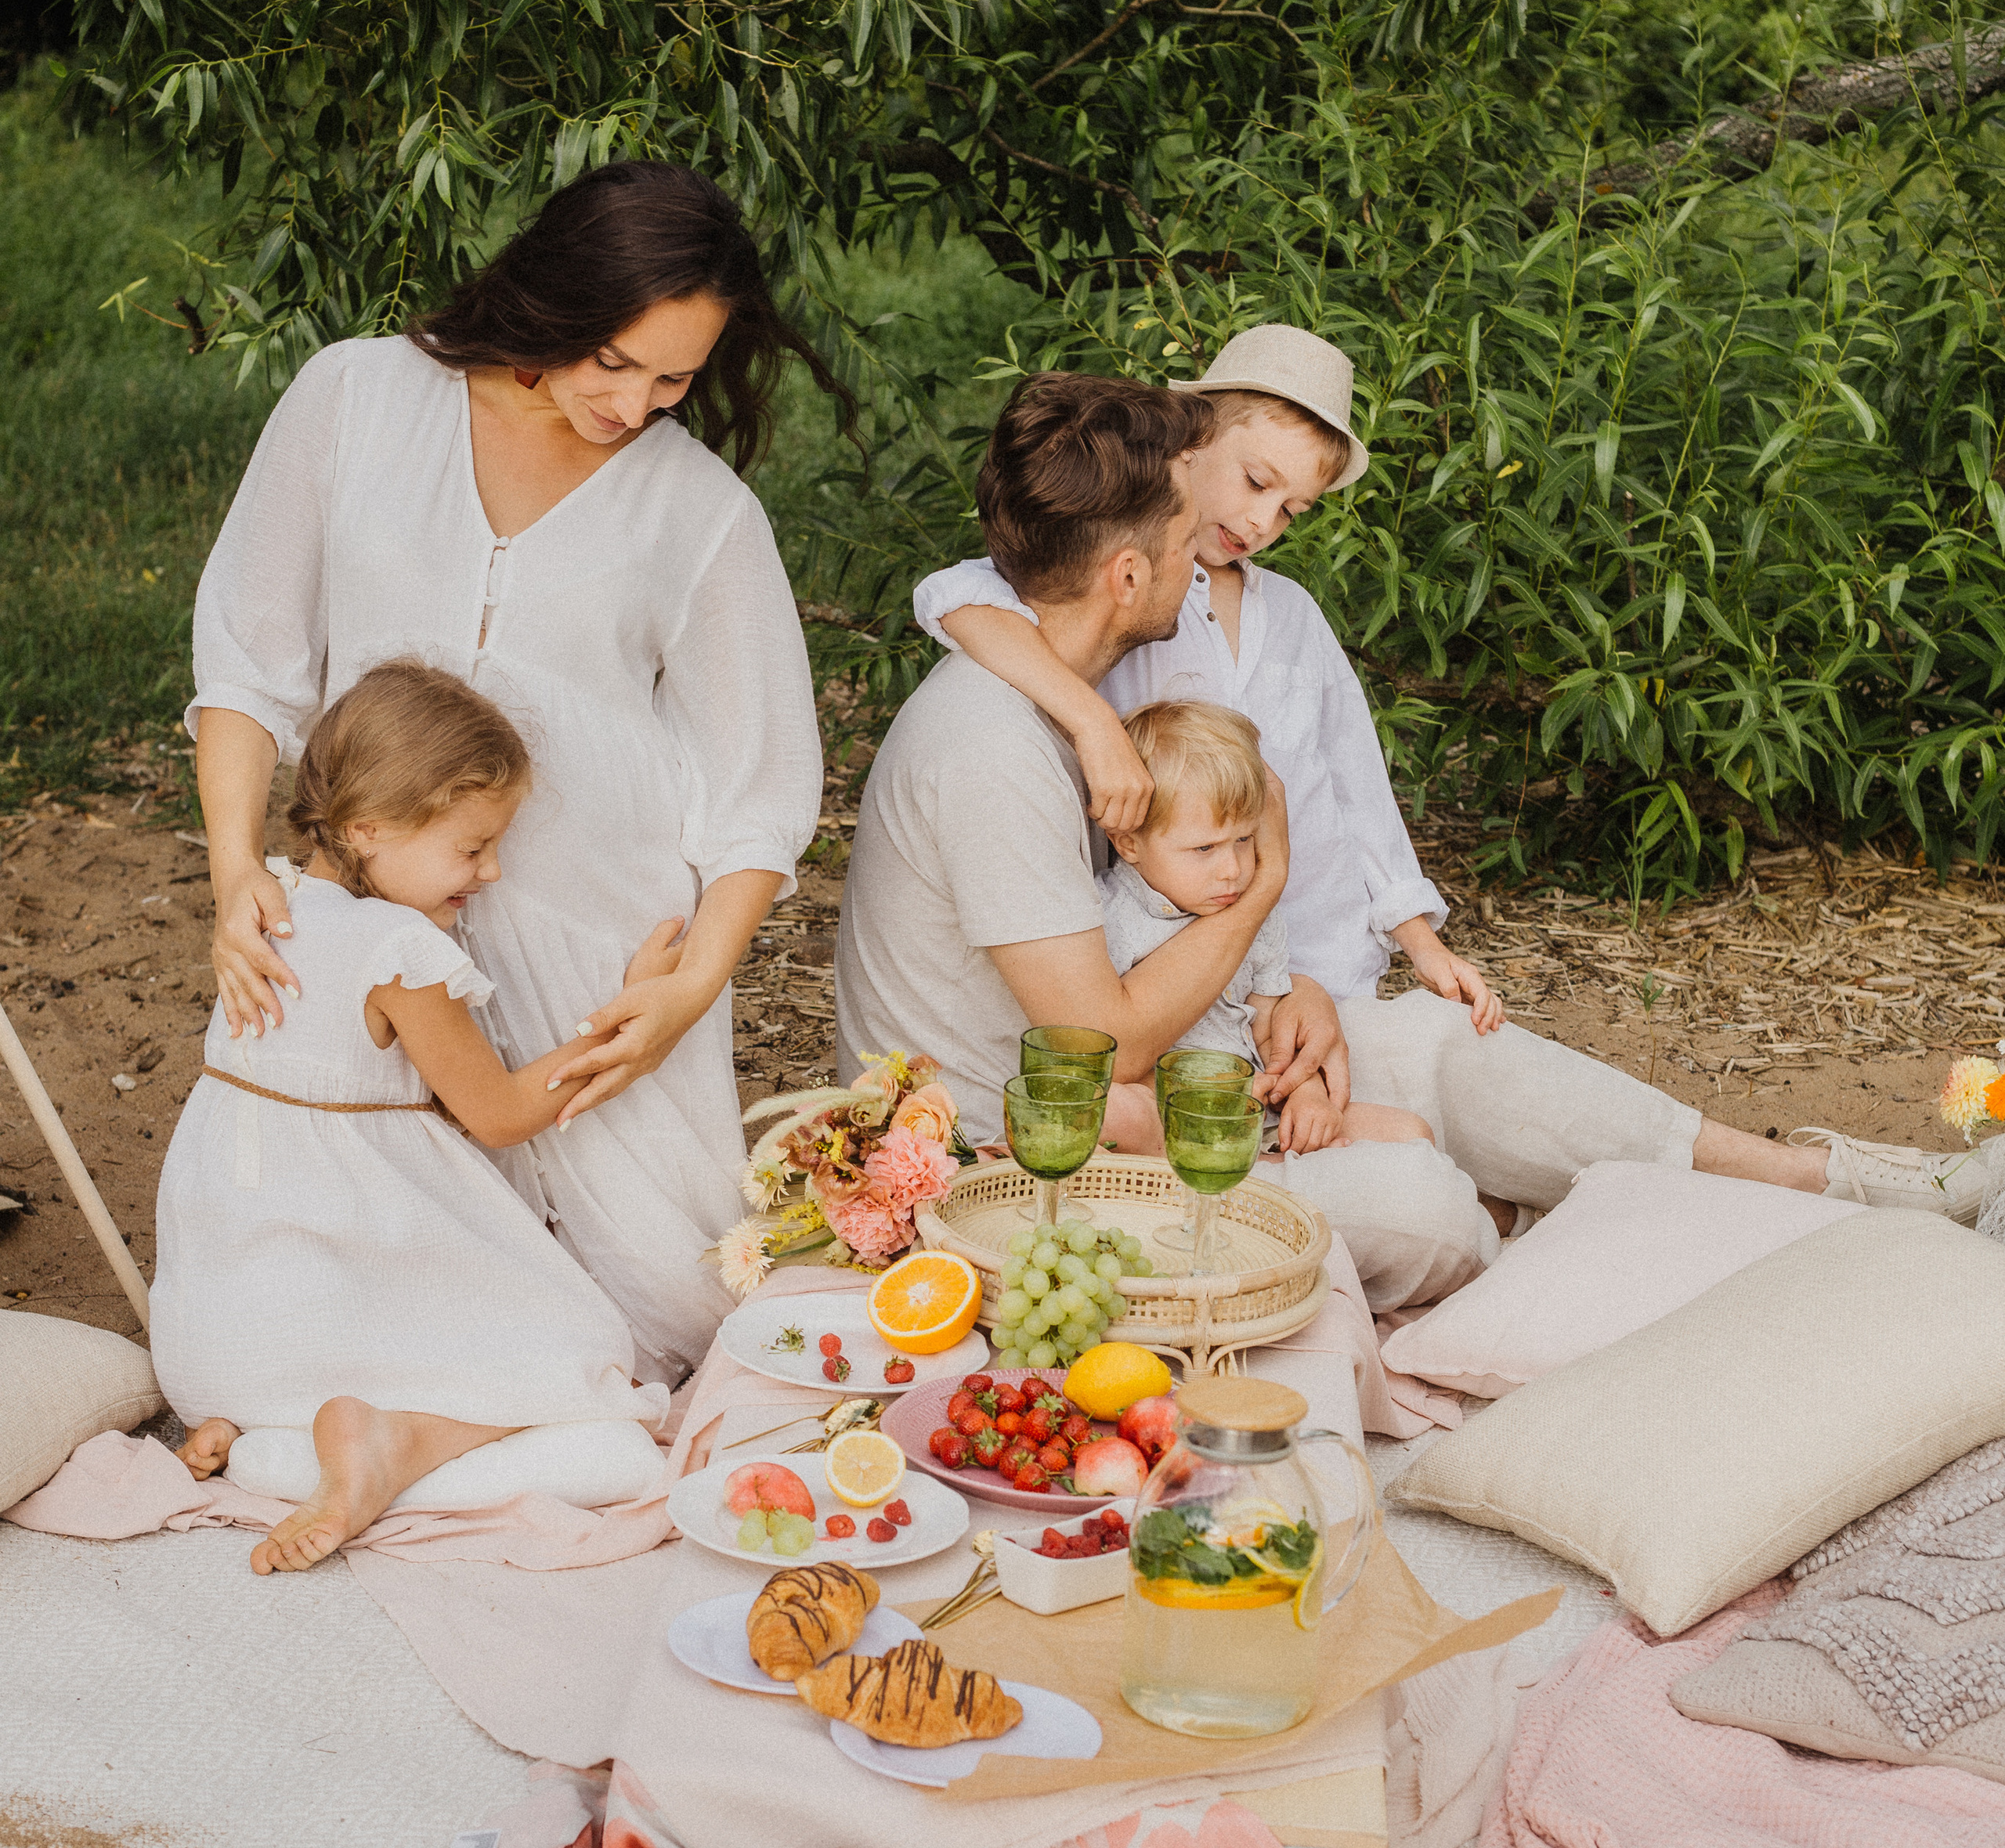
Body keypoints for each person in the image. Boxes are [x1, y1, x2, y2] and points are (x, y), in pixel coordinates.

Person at [911, 323, 1964, 1307]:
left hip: (1270, 968)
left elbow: (1350, 777)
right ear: (1184, 465)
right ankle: (1614, 1245)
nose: (1261, 521)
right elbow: (964, 593)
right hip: (1178, 1005)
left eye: (1294, 505)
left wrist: (1384, 942)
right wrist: (1093, 723)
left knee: (1451, 1047)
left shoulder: (1274, 611)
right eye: (1252, 484)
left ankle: (1807, 1177)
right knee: (1411, 1162)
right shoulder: (1081, 638)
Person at [189, 161, 834, 1380]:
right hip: (367, 926)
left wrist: (692, 986)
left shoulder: (699, 512)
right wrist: (235, 873)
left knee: (665, 1322)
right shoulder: (359, 399)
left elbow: (760, 791)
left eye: (675, 378)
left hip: (600, 959)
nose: (637, 402)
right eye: (615, 361)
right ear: (552, 300)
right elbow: (249, 653)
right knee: (365, 1296)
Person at [154, 664, 681, 1572]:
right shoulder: (397, 950)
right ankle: (394, 1444)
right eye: (472, 848)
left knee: (310, 1378)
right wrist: (629, 1015)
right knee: (591, 1369)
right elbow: (502, 1113)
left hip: (215, 1337)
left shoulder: (265, 911)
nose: (492, 869)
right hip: (319, 1296)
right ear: (370, 830)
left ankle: (262, 1449)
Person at [834, 372, 1345, 1142]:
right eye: (1184, 548)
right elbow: (1109, 1049)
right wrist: (1263, 881)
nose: (1197, 572)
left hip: (1122, 1103)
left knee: (1424, 1055)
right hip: (1004, 1161)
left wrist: (1289, 993)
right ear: (1130, 575)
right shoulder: (994, 749)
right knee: (1422, 1202)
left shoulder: (1057, 706)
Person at [1096, 698, 1435, 1166]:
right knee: (1114, 1114)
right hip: (1170, 1115)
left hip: (1261, 1110)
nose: (1233, 869)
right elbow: (1109, 1053)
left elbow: (1270, 1028)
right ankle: (1242, 1170)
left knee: (1412, 1134)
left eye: (1244, 839)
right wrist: (1216, 1096)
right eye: (1204, 848)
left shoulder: (1251, 911)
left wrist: (1306, 1094)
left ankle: (1266, 1164)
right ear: (1129, 842)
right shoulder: (1111, 919)